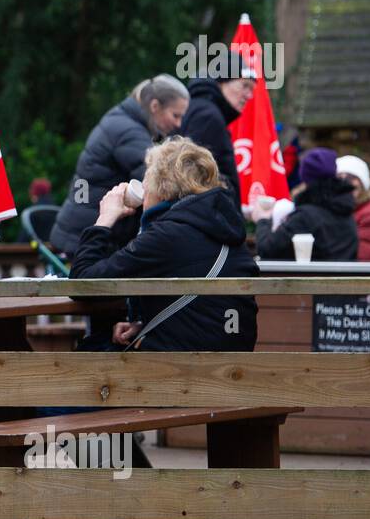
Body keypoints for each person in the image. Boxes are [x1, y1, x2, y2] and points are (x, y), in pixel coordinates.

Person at [71, 136, 259, 351]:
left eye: (146, 180)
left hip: (182, 372)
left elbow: (82, 284)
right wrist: (147, 325)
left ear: (160, 188)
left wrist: (104, 220)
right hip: (230, 366)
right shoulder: (224, 229)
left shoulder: (168, 235)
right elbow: (207, 314)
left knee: (85, 354)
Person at [50, 74, 190, 255]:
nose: (178, 124)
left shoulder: (124, 121)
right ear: (155, 106)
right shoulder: (128, 131)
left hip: (80, 231)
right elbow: (160, 180)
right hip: (87, 238)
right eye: (175, 115)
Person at [251, 148, 357, 262]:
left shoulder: (304, 217)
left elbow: (267, 249)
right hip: (345, 278)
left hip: (312, 279)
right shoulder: (346, 212)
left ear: (306, 179)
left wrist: (263, 219)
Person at [179, 68, 254, 199]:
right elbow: (193, 175)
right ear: (222, 82)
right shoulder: (208, 116)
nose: (249, 96)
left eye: (251, 89)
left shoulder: (203, 109)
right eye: (245, 85)